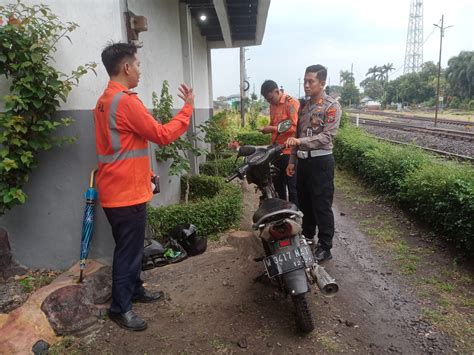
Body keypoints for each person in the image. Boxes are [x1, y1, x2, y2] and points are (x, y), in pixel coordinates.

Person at [93, 42, 194, 331]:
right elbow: (161, 135)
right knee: (128, 251)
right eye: (137, 65)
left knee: (132, 248)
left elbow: (122, 147)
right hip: (125, 194)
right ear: (125, 67)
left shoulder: (104, 101)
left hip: (119, 189)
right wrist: (186, 109)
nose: (139, 71)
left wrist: (146, 172)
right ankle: (120, 308)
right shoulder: (125, 101)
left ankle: (135, 290)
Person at [285, 65, 341, 263]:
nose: (306, 85)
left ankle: (325, 246)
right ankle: (308, 237)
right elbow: (297, 134)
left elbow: (327, 136)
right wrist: (292, 160)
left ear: (322, 83)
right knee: (305, 203)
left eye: (311, 81)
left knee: (322, 205)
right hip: (303, 162)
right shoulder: (305, 106)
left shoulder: (331, 106)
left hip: (321, 162)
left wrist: (300, 143)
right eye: (305, 81)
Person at [260, 80, 299, 205]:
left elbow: (295, 127)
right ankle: (282, 213)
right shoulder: (272, 106)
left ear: (277, 91)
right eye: (267, 100)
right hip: (276, 151)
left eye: (270, 98)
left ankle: (294, 215)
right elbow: (274, 124)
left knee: (292, 187)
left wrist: (272, 129)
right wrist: (267, 129)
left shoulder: (291, 103)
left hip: (289, 152)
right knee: (278, 185)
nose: (269, 102)